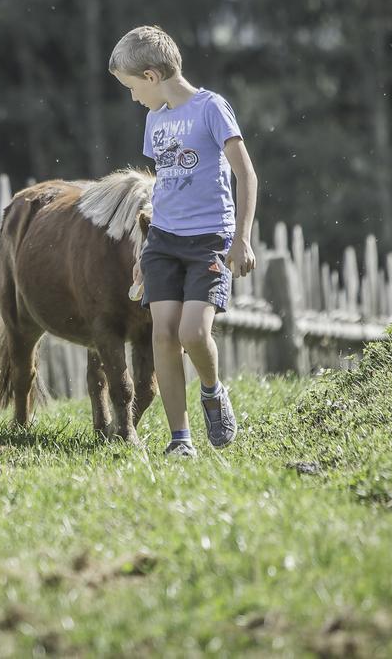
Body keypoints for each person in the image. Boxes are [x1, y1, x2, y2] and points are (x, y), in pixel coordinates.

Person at [110, 25, 258, 458]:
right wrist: (146, 249)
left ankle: (212, 391)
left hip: (208, 240)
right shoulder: (155, 119)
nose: (134, 97)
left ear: (152, 77)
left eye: (132, 87)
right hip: (163, 242)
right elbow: (164, 186)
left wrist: (242, 239)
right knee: (163, 336)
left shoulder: (212, 109)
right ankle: (181, 439)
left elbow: (245, 175)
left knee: (193, 332)